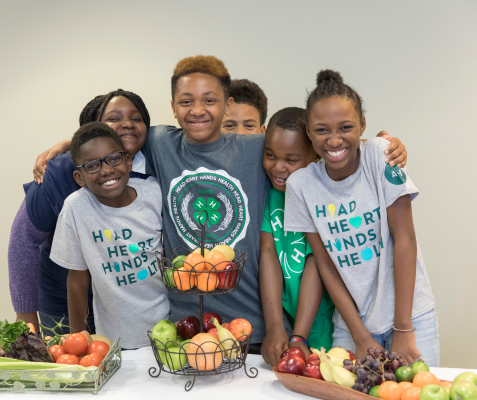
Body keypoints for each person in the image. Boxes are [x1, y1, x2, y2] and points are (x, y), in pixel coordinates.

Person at [30, 56, 408, 352]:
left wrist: (380, 144)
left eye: (209, 100)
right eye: (186, 101)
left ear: (227, 105)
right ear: (173, 107)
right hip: (182, 325)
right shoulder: (161, 142)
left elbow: (320, 137)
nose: (198, 109)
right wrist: (69, 145)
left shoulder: (258, 147)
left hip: (252, 325)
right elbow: (115, 138)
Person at [284, 70, 439, 366]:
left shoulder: (380, 156)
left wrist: (403, 328)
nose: (334, 140)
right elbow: (325, 263)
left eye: (345, 127)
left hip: (410, 315)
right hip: (352, 325)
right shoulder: (301, 186)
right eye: (321, 130)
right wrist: (359, 335)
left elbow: (405, 239)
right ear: (308, 131)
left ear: (362, 125)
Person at [8, 89, 152, 333]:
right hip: (64, 300)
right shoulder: (61, 171)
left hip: (128, 304)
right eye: (114, 119)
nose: (127, 124)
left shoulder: (156, 165)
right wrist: (26, 321)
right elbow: (23, 240)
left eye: (136, 119)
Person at [50, 122, 167, 349]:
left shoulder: (153, 192)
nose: (106, 170)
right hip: (114, 341)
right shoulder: (75, 208)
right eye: (92, 165)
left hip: (169, 332)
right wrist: (79, 342)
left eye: (114, 158)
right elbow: (77, 280)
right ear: (79, 178)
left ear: (128, 161)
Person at [259, 107, 335, 366]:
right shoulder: (269, 193)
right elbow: (267, 252)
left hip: (321, 321)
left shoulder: (321, 194)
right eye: (270, 155)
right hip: (283, 317)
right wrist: (275, 326)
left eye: (291, 160)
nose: (278, 167)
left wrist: (298, 336)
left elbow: (317, 263)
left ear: (314, 157)